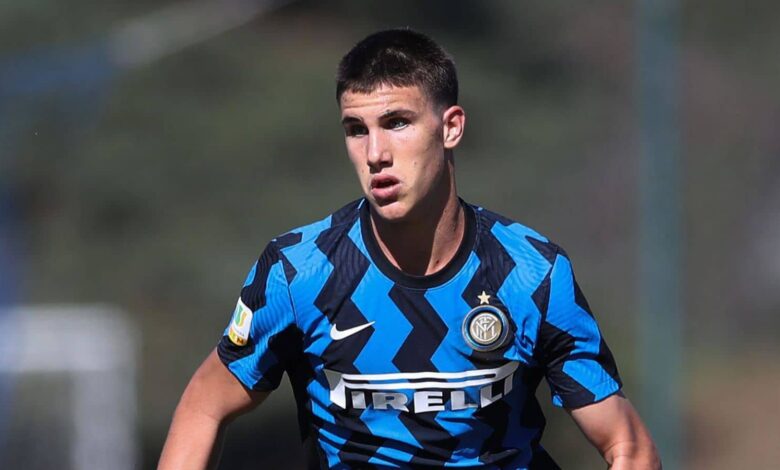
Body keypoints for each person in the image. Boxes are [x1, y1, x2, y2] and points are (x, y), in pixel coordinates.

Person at [158, 28, 661, 469]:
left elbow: (629, 447)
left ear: (451, 127)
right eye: (356, 130)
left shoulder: (532, 274)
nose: (375, 153)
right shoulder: (298, 273)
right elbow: (204, 406)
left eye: (397, 122)